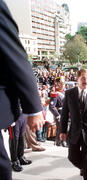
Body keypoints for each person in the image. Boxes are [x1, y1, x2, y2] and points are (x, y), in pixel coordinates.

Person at [0, 1, 44, 179]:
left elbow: (15, 55)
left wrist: (32, 107)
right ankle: (16, 159)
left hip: (18, 110)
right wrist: (33, 108)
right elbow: (16, 56)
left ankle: (18, 157)